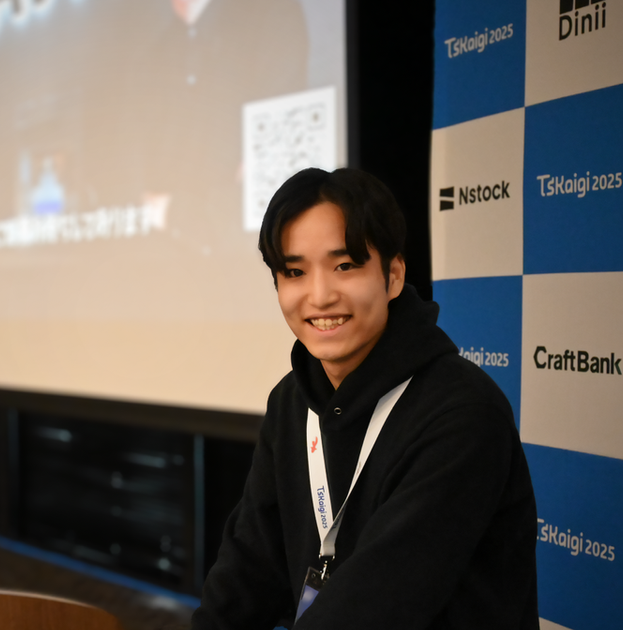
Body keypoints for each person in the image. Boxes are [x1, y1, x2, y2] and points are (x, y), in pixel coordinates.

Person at [191, 168, 538, 629]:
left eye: (345, 266)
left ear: (393, 276)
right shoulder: (292, 401)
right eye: (294, 272)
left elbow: (380, 604)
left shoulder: (462, 413)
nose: (319, 296)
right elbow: (247, 571)